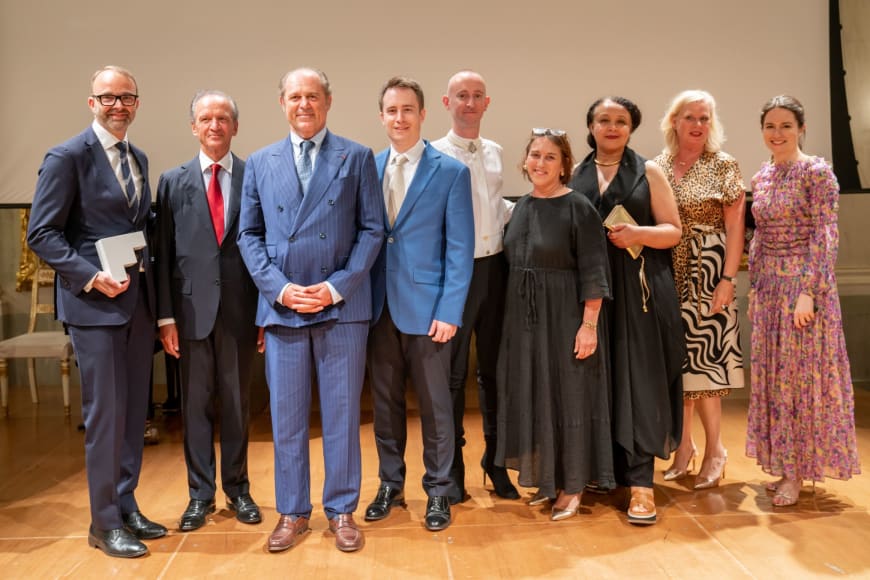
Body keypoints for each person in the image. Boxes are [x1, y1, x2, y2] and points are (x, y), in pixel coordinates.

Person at [237, 68, 383, 553]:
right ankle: (293, 512)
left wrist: (336, 287)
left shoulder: (357, 156)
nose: (304, 104)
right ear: (282, 102)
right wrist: (279, 290)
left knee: (342, 415)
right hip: (285, 309)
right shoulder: (259, 162)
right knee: (287, 417)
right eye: (295, 96)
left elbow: (372, 230)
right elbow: (249, 235)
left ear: (328, 101)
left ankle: (341, 510)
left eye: (313, 96)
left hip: (341, 307)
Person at [27, 65, 167, 557]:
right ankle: (102, 522)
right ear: (92, 103)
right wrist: (89, 274)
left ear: (137, 104)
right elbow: (42, 233)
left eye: (127, 97)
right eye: (107, 97)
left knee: (132, 416)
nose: (118, 105)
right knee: (105, 417)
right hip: (94, 309)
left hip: (136, 308)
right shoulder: (67, 156)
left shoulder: (138, 157)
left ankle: (126, 505)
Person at [365, 76, 474, 532]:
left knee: (436, 406)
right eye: (391, 110)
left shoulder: (449, 171)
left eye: (408, 109)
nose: (399, 118)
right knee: (385, 405)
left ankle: (439, 490)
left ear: (423, 114)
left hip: (430, 311)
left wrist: (450, 310)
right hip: (376, 308)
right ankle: (390, 483)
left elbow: (459, 248)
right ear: (382, 116)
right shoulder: (366, 167)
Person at [568, 97, 684, 525]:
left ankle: (640, 485)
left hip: (639, 294)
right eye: (604, 120)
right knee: (596, 381)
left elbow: (673, 231)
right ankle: (604, 470)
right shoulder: (574, 174)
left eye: (621, 122)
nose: (612, 128)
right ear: (591, 125)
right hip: (587, 297)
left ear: (631, 129)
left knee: (638, 383)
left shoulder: (648, 171)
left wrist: (638, 232)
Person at [155, 90, 262, 532]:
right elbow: (161, 255)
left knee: (238, 406)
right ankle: (200, 495)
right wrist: (165, 318)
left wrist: (265, 314)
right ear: (193, 127)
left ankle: (238, 490)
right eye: (206, 118)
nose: (214, 125)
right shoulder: (172, 181)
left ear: (235, 127)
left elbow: (264, 247)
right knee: (194, 408)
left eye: (223, 118)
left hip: (241, 312)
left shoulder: (255, 175)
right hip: (190, 315)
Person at [746, 95, 860, 507]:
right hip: (771, 291)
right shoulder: (763, 175)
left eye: (785, 126)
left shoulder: (817, 173)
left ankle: (798, 472)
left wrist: (809, 293)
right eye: (770, 126)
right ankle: (785, 464)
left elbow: (825, 236)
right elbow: (758, 235)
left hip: (802, 291)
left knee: (800, 383)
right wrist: (756, 288)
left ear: (801, 129)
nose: (777, 134)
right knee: (776, 380)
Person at [495, 129, 612, 521]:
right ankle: (548, 480)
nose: (540, 163)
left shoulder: (579, 207)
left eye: (549, 157)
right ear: (524, 161)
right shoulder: (521, 206)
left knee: (570, 399)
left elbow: (594, 270)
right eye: (534, 155)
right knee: (537, 398)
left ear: (565, 165)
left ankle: (574, 485)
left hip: (565, 318)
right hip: (524, 322)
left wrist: (589, 325)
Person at [430, 70, 518, 502]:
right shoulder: (433, 156)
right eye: (461, 95)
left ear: (487, 103)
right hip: (455, 276)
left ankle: (497, 462)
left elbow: (497, 208)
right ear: (447, 104)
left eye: (476, 96)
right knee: (451, 376)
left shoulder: (498, 153)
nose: (469, 102)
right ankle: (452, 469)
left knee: (496, 373)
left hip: (495, 272)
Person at [652, 90, 745, 490]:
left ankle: (715, 450)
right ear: (674, 121)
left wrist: (727, 279)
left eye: (705, 118)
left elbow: (736, 227)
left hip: (709, 271)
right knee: (677, 367)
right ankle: (683, 447)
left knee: (707, 366)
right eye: (690, 117)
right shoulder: (656, 165)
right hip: (667, 270)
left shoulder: (723, 165)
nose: (697, 125)